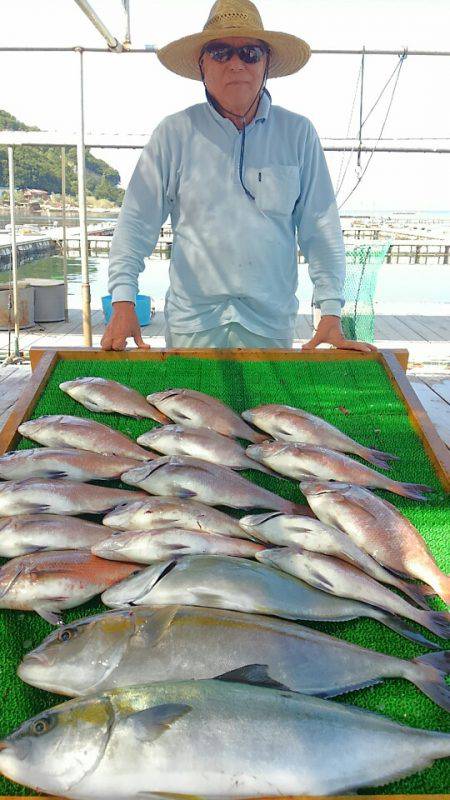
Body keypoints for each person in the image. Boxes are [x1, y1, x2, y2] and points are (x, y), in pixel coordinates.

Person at [101, 0, 376, 353]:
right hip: (192, 325)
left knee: (266, 411)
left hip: (271, 325)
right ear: (202, 65)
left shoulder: (299, 134)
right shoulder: (172, 134)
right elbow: (135, 224)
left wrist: (331, 310)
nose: (236, 64)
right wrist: (123, 301)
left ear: (266, 65)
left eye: (249, 53)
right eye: (220, 52)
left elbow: (320, 227)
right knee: (189, 407)